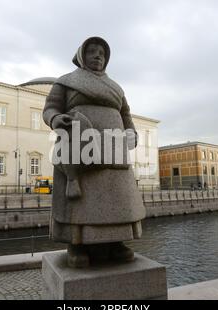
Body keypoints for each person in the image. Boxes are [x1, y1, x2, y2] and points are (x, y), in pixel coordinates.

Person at [43, 37, 146, 268]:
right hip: (80, 143)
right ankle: (76, 245)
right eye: (92, 51)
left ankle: (116, 243)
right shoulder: (67, 82)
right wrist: (56, 118)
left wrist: (132, 132)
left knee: (117, 196)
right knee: (84, 200)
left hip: (115, 148)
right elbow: (50, 108)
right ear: (82, 55)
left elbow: (126, 114)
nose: (98, 55)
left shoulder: (116, 88)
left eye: (102, 52)